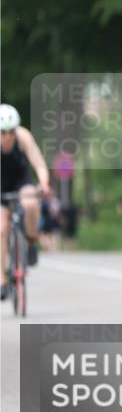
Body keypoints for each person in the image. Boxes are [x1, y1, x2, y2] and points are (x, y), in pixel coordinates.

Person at [1, 104, 50, 301]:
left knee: (30, 203)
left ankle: (31, 241)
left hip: (21, 181)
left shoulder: (24, 137)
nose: (7, 137)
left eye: (11, 132)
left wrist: (44, 184)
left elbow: (39, 164)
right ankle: (2, 280)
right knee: (2, 228)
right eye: (2, 133)